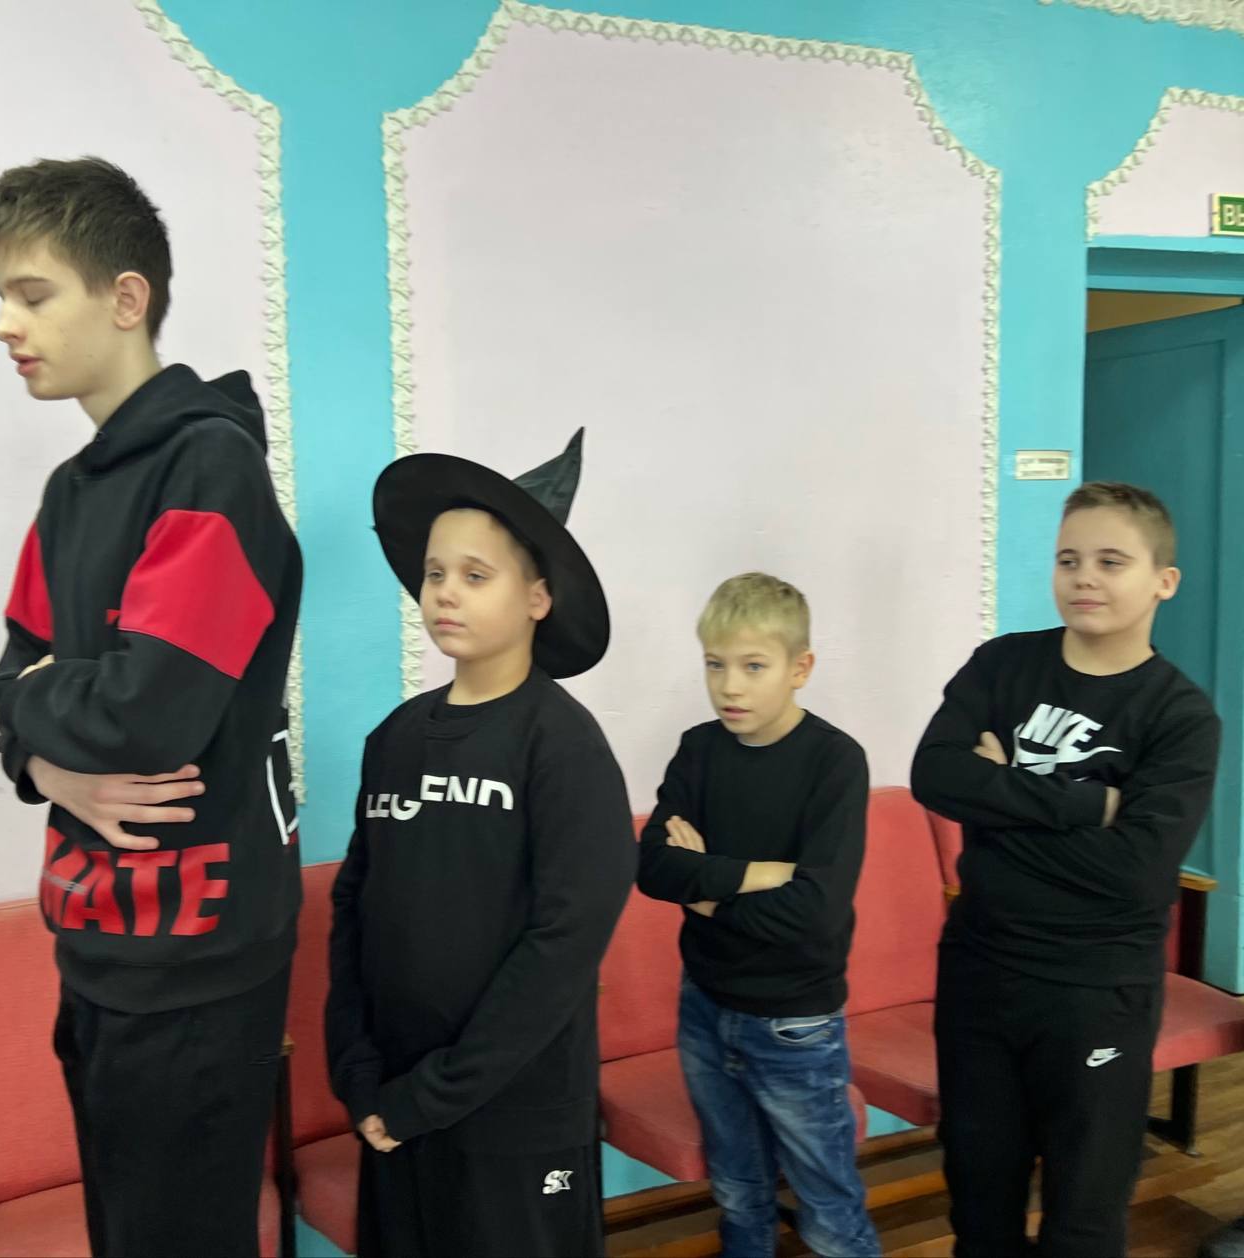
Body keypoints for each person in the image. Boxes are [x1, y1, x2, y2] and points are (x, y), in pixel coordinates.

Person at [0, 156, 303, 1258]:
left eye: (32, 293)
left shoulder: (210, 469)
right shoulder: (69, 493)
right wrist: (48, 764)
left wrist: (43, 701)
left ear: (126, 297)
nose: (6, 324)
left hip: (198, 957)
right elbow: (7, 690)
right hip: (94, 939)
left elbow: (150, 716)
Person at [326, 429, 636, 1258]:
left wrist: (433, 1094)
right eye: (435, 574)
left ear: (538, 598)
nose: (445, 595)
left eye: (475, 575)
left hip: (514, 1118)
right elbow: (355, 907)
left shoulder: (562, 748)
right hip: (393, 1105)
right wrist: (357, 1071)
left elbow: (562, 946)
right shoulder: (395, 738)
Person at [912, 481, 1221, 1258]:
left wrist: (997, 798)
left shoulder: (1180, 716)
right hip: (981, 974)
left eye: (1110, 561)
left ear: (1163, 581)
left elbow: (1138, 872)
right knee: (979, 1204)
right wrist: (1086, 805)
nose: (1084, 577)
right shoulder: (1002, 665)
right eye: (1068, 559)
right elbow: (934, 775)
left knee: (1082, 1218)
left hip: (1096, 992)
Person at [637, 572, 880, 1258]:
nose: (729, 687)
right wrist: (760, 875)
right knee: (738, 1193)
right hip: (705, 1006)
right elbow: (653, 867)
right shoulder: (698, 749)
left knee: (829, 1212)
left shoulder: (835, 762)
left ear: (800, 668)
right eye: (715, 665)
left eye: (752, 666)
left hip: (794, 1022)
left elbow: (814, 910)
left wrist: (706, 890)